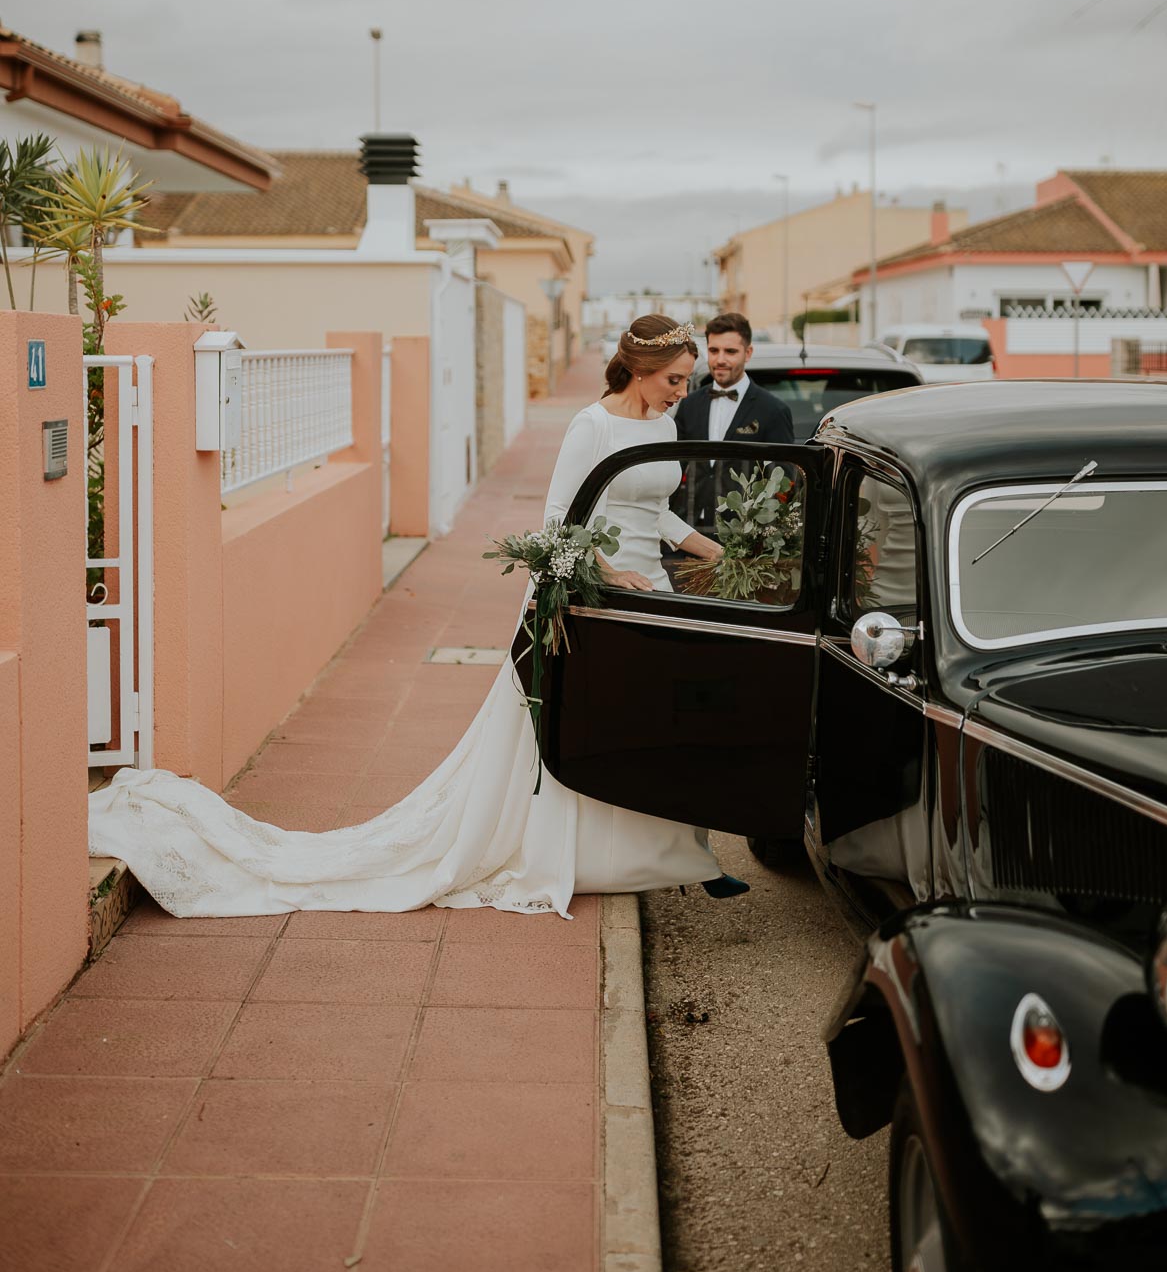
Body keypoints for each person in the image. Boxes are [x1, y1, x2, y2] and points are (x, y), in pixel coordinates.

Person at [87, 314, 748, 921]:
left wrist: (713, 548)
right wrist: (606, 572)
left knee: (653, 720)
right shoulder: (592, 426)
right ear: (636, 369)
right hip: (590, 594)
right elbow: (558, 521)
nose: (679, 390)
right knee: (577, 726)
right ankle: (578, 852)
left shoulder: (664, 425)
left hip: (651, 590)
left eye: (684, 380)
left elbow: (652, 510)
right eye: (671, 379)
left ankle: (683, 855)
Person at [671, 311, 795, 534]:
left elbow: (783, 483)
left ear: (748, 353)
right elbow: (673, 466)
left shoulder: (773, 410)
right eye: (713, 350)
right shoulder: (689, 404)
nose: (720, 360)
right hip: (690, 530)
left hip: (746, 538)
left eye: (730, 351)